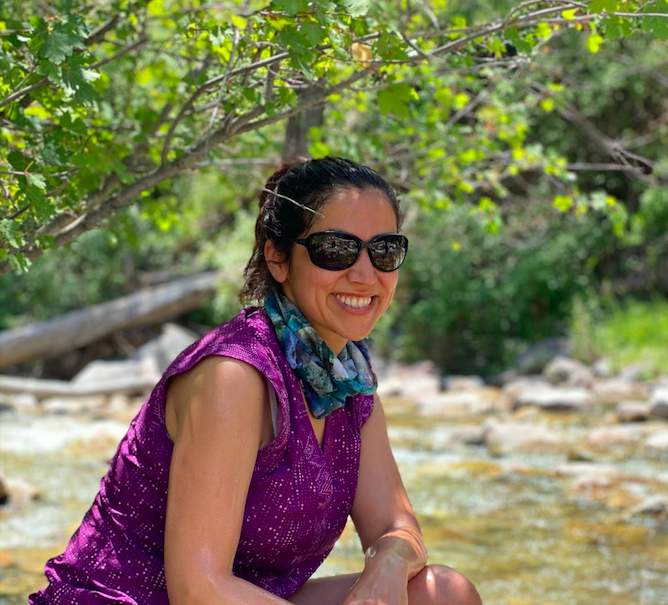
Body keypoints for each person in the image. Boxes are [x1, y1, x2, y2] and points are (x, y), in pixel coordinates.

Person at [30, 157, 482, 605]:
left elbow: (396, 527)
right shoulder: (235, 374)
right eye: (335, 250)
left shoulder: (346, 381)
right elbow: (200, 588)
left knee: (442, 595)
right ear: (278, 259)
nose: (365, 274)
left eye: (383, 251)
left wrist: (388, 563)